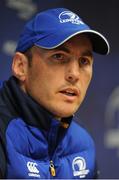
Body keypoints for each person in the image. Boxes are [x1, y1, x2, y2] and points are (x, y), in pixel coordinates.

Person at [0, 8, 110, 179]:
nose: (74, 74)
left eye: (84, 61)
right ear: (21, 66)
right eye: (59, 56)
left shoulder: (83, 144)